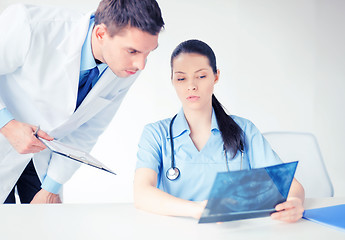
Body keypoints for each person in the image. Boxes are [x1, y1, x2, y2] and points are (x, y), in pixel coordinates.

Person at [0, 0, 164, 204]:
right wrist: (6, 124)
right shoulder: (31, 25)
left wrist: (51, 187)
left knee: (43, 230)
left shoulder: (127, 67)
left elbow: (90, 128)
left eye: (149, 52)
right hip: (2, 143)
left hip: (42, 161)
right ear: (101, 34)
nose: (141, 65)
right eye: (133, 51)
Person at [133, 39, 305, 222]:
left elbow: (292, 186)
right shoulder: (156, 134)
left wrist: (294, 202)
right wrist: (197, 210)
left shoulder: (244, 129)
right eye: (181, 78)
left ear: (216, 76)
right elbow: (142, 193)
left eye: (201, 76)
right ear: (173, 81)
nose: (191, 86)